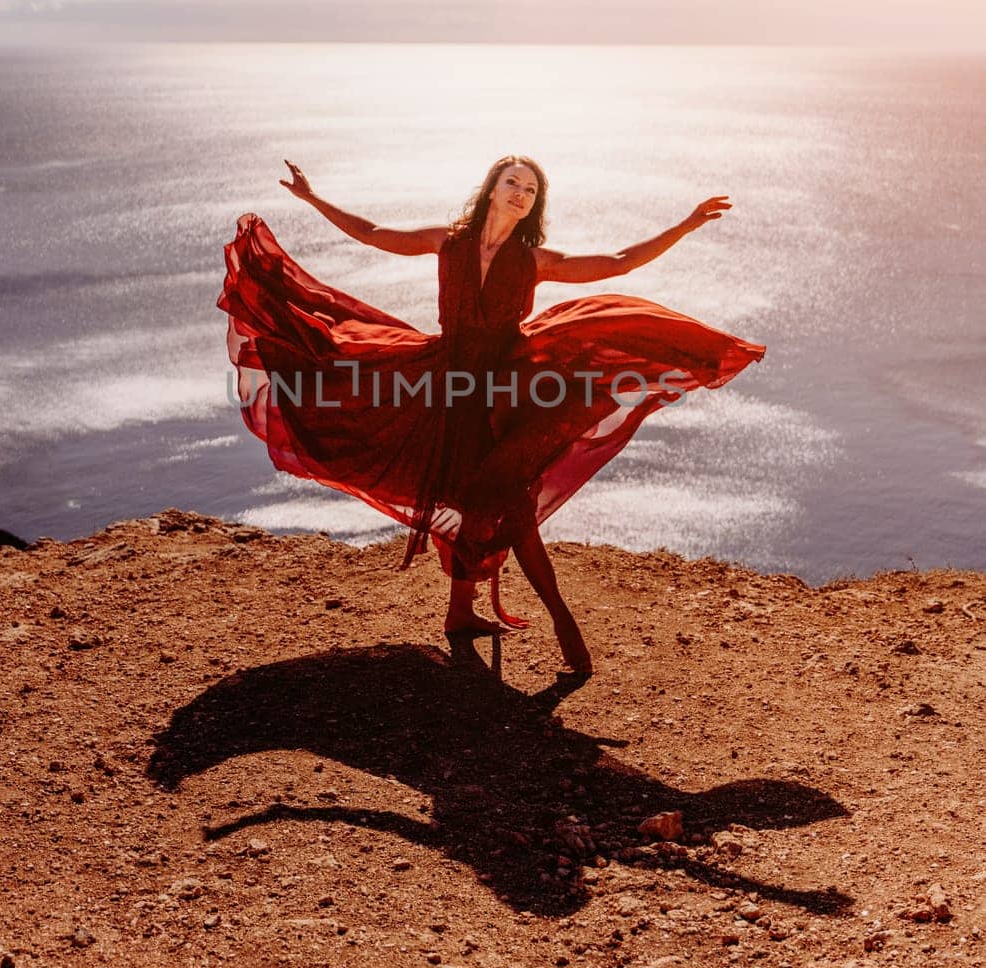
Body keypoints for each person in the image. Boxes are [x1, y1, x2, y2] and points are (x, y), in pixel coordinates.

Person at [217, 155, 766, 677]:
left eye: (531, 189)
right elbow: (374, 232)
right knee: (460, 487)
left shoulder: (534, 260)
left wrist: (686, 224)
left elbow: (619, 262)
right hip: (447, 380)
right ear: (492, 189)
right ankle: (462, 612)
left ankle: (561, 622)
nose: (522, 194)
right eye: (513, 183)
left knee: (507, 503)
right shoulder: (448, 241)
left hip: (507, 390)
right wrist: (315, 199)